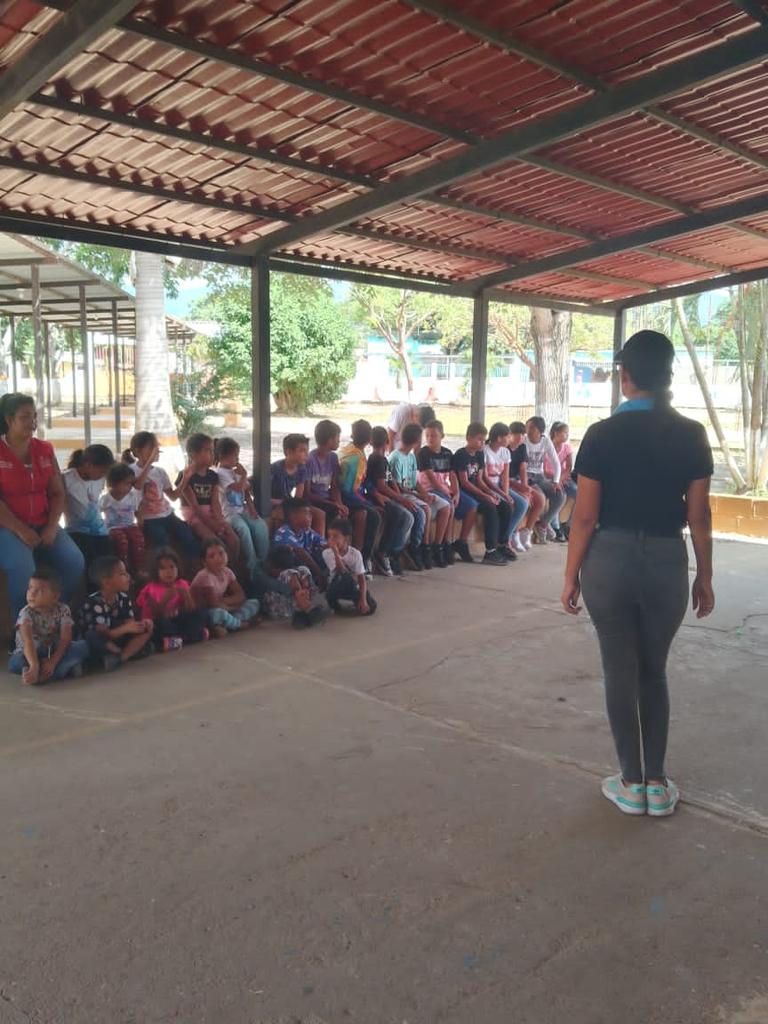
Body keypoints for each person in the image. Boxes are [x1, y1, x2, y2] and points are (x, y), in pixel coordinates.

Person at [561, 330, 715, 818]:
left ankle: (629, 782)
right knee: (654, 671)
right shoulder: (691, 434)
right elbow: (699, 516)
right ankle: (657, 781)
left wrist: (570, 576)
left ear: (625, 376)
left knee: (618, 671)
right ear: (670, 375)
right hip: (668, 560)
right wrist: (704, 575)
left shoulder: (603, 434)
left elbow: (583, 516)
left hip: (610, 558)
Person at [0, 393, 84, 617]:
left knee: (74, 560)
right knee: (23, 568)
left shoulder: (45, 449)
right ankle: (24, 627)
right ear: (9, 420)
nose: (32, 422)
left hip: (43, 522)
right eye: (25, 416)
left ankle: (52, 616)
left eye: (34, 416)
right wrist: (21, 530)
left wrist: (50, 527)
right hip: (7, 527)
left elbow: (57, 493)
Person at [123, 431, 199, 555]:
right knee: (161, 540)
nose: (156, 450)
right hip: (149, 519)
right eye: (151, 447)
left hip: (168, 515)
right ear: (138, 451)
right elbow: (138, 486)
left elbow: (173, 496)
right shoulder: (131, 470)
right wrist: (149, 462)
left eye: (156, 447)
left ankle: (194, 565)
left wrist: (185, 478)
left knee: (187, 535)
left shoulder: (160, 472)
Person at [9, 567, 88, 684]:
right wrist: (34, 665)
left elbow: (65, 639)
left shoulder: (63, 609)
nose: (32, 594)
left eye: (39, 591)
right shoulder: (25, 613)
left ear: (55, 596)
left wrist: (53, 662)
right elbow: (28, 641)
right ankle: (54, 671)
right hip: (29, 652)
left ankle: (45, 673)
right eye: (30, 588)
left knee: (82, 646)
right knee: (15, 663)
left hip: (53, 651)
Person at [77, 555, 154, 671]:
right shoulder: (93, 602)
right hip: (103, 639)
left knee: (148, 627)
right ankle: (126, 652)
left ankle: (121, 657)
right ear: (107, 582)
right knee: (92, 636)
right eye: (122, 574)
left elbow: (130, 624)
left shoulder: (124, 598)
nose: (128, 576)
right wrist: (126, 628)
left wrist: (141, 625)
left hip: (118, 636)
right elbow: (105, 633)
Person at [389, 421, 448, 569]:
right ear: (416, 441)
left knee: (445, 506)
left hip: (412, 492)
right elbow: (398, 487)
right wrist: (421, 497)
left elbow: (415, 483)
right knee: (425, 510)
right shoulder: (396, 457)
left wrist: (425, 494)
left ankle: (437, 546)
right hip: (402, 494)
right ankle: (420, 546)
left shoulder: (411, 457)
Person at [451, 423, 512, 566]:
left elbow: (479, 479)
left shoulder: (479, 454)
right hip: (465, 491)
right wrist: (485, 496)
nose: (482, 443)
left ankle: (501, 545)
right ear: (468, 438)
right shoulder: (461, 455)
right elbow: (465, 483)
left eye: (483, 440)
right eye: (479, 439)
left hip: (476, 489)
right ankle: (490, 551)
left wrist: (493, 493)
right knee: (490, 507)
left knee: (504, 506)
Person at [176, 433, 240, 562]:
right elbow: (194, 506)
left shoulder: (212, 476)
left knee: (234, 539)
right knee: (213, 541)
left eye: (213, 451)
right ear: (194, 454)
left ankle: (231, 571)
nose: (213, 454)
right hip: (194, 515)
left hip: (210, 512)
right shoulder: (186, 476)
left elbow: (215, 502)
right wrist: (212, 524)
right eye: (208, 451)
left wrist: (220, 520)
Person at [215, 437, 269, 584]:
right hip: (229, 513)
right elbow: (237, 487)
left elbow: (245, 492)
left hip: (242, 509)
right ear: (222, 456)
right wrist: (244, 474)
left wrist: (252, 508)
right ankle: (252, 567)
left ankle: (263, 561)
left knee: (260, 525)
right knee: (243, 530)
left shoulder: (236, 471)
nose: (237, 459)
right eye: (234, 455)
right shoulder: (220, 473)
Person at [135, 547, 208, 651]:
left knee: (200, 612)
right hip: (159, 622)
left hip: (177, 621)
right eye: (163, 568)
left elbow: (191, 608)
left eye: (172, 567)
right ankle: (189, 637)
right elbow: (155, 614)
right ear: (156, 571)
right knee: (162, 625)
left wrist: (186, 596)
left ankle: (182, 638)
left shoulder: (182, 583)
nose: (168, 572)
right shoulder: (150, 589)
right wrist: (166, 599)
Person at [366, 426, 415, 577]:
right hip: (378, 497)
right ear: (387, 441)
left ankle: (393, 552)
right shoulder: (378, 459)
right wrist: (400, 498)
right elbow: (381, 486)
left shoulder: (382, 458)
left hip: (386, 495)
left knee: (409, 515)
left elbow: (389, 479)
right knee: (403, 515)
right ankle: (385, 552)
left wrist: (400, 492)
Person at [190, 539, 261, 637]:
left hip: (224, 606)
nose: (218, 558)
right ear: (204, 562)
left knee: (254, 602)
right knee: (219, 614)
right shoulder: (205, 576)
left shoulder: (227, 572)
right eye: (212, 556)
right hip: (206, 611)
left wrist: (225, 603)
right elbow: (213, 604)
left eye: (221, 553)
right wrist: (230, 606)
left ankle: (230, 623)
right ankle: (239, 624)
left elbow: (241, 596)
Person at [339, 419, 382, 575]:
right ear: (369, 439)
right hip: (346, 497)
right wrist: (366, 503)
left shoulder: (350, 450)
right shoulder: (356, 458)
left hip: (351, 494)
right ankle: (364, 559)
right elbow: (347, 490)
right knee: (374, 515)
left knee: (373, 511)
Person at [483, 422, 530, 559]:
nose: (510, 439)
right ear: (499, 438)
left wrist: (506, 493)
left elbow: (505, 477)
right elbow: (485, 478)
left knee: (518, 504)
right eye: (508, 436)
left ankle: (504, 541)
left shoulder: (505, 452)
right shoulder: (485, 451)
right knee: (503, 506)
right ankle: (501, 543)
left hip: (500, 486)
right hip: (489, 487)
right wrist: (503, 495)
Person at [62, 445, 115, 562]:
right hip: (77, 531)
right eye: (102, 471)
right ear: (88, 465)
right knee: (88, 559)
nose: (104, 475)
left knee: (108, 561)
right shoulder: (66, 479)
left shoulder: (100, 479)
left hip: (100, 531)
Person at [261, 546, 328, 629]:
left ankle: (301, 614)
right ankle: (309, 610)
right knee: (288, 573)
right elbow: (287, 586)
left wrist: (304, 590)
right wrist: (297, 590)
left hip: (293, 604)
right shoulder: (264, 572)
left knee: (303, 569)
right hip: (278, 608)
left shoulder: (290, 570)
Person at [322, 518, 376, 616]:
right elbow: (340, 570)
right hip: (336, 586)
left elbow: (361, 579)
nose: (331, 540)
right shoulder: (327, 553)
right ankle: (333, 603)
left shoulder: (355, 554)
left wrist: (363, 599)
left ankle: (358, 602)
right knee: (343, 577)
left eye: (335, 537)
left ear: (346, 538)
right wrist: (335, 552)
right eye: (329, 536)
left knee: (371, 606)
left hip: (352, 586)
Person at [99, 463, 146, 574]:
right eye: (126, 484)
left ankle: (137, 568)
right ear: (113, 483)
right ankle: (123, 569)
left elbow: (137, 510)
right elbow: (98, 513)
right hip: (113, 527)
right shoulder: (106, 499)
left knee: (139, 540)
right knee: (122, 541)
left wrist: (140, 521)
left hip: (129, 525)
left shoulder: (132, 496)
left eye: (131, 484)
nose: (129, 487)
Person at [525, 416, 565, 544]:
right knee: (540, 497)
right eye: (527, 427)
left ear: (539, 430)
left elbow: (556, 463)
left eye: (531, 427)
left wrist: (556, 481)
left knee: (560, 495)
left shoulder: (545, 441)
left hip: (540, 477)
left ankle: (542, 524)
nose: (528, 430)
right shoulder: (524, 441)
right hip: (527, 477)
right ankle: (538, 527)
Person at [273, 497, 328, 585]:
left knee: (326, 552)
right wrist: (320, 574)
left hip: (307, 565)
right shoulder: (284, 532)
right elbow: (302, 554)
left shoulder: (306, 530)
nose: (311, 516)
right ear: (293, 516)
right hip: (292, 569)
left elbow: (324, 543)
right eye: (307, 513)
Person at [508, 421, 545, 551]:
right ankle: (514, 532)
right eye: (516, 435)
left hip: (518, 481)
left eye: (522, 435)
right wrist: (522, 489)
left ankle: (527, 531)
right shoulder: (505, 449)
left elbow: (523, 468)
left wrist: (524, 487)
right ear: (509, 435)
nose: (520, 438)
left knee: (540, 499)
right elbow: (503, 476)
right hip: (507, 482)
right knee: (523, 500)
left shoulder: (522, 447)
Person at [306, 420, 348, 528]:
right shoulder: (310, 460)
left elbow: (334, 486)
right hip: (314, 500)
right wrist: (333, 504)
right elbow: (307, 493)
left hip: (327, 499)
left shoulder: (333, 457)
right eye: (337, 438)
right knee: (333, 512)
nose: (339, 441)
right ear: (330, 440)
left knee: (343, 512)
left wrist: (339, 503)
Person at [549, 421, 577, 540]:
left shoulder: (567, 447)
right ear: (556, 433)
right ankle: (556, 527)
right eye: (565, 432)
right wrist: (556, 479)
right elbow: (546, 469)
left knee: (578, 493)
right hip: (550, 477)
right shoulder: (548, 446)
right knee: (559, 495)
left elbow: (569, 467)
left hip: (564, 478)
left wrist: (561, 478)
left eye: (567, 433)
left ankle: (569, 525)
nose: (567, 435)